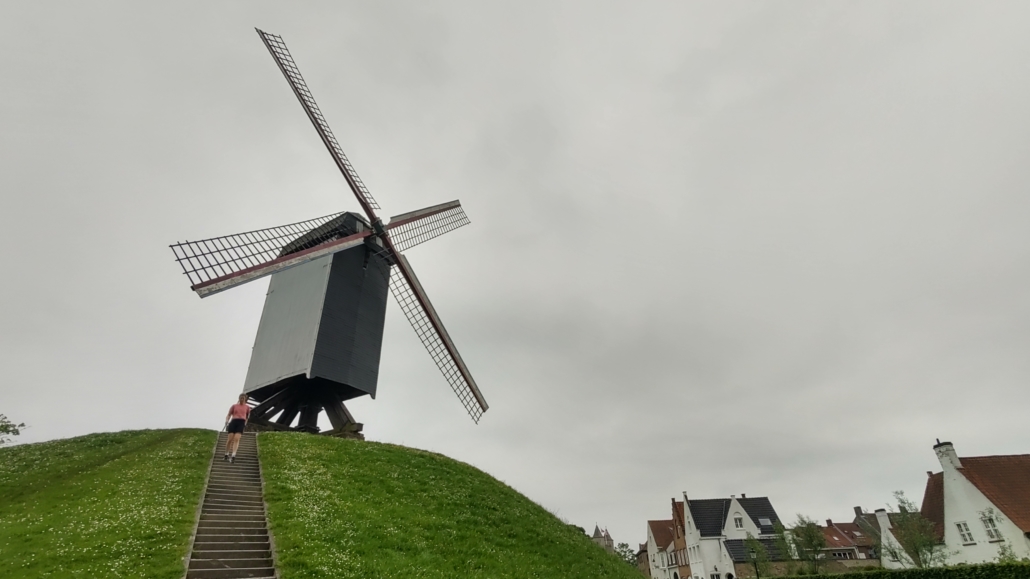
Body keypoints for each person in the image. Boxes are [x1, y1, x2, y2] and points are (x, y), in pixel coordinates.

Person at [224, 393, 250, 463]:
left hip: (241, 422)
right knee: (230, 439)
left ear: (245, 399)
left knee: (236, 438)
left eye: (243, 398)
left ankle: (233, 455)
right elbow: (229, 414)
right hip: (234, 422)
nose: (241, 399)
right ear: (239, 398)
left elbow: (247, 417)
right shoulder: (234, 406)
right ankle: (226, 454)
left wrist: (245, 424)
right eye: (240, 398)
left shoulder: (247, 407)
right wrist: (227, 420)